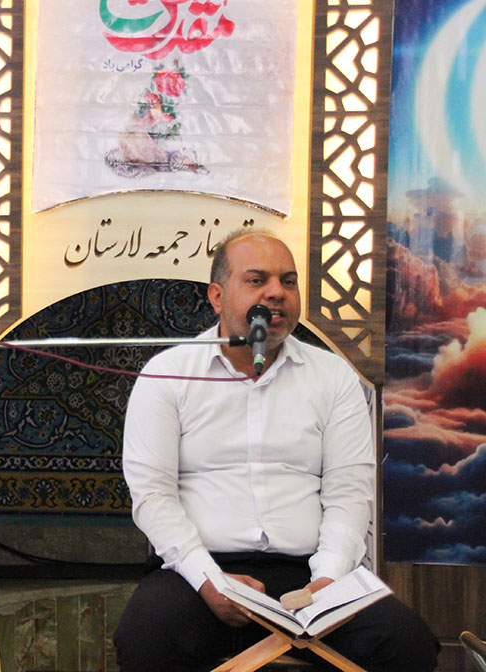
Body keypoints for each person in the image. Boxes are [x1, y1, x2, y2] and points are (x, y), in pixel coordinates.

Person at [114, 230, 437, 672]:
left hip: (311, 575)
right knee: (146, 638)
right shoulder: (166, 374)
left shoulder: (333, 377)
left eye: (288, 281)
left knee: (407, 644)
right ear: (217, 296)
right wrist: (207, 579)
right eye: (257, 280)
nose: (276, 293)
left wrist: (328, 580)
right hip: (199, 574)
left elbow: (348, 492)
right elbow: (153, 496)